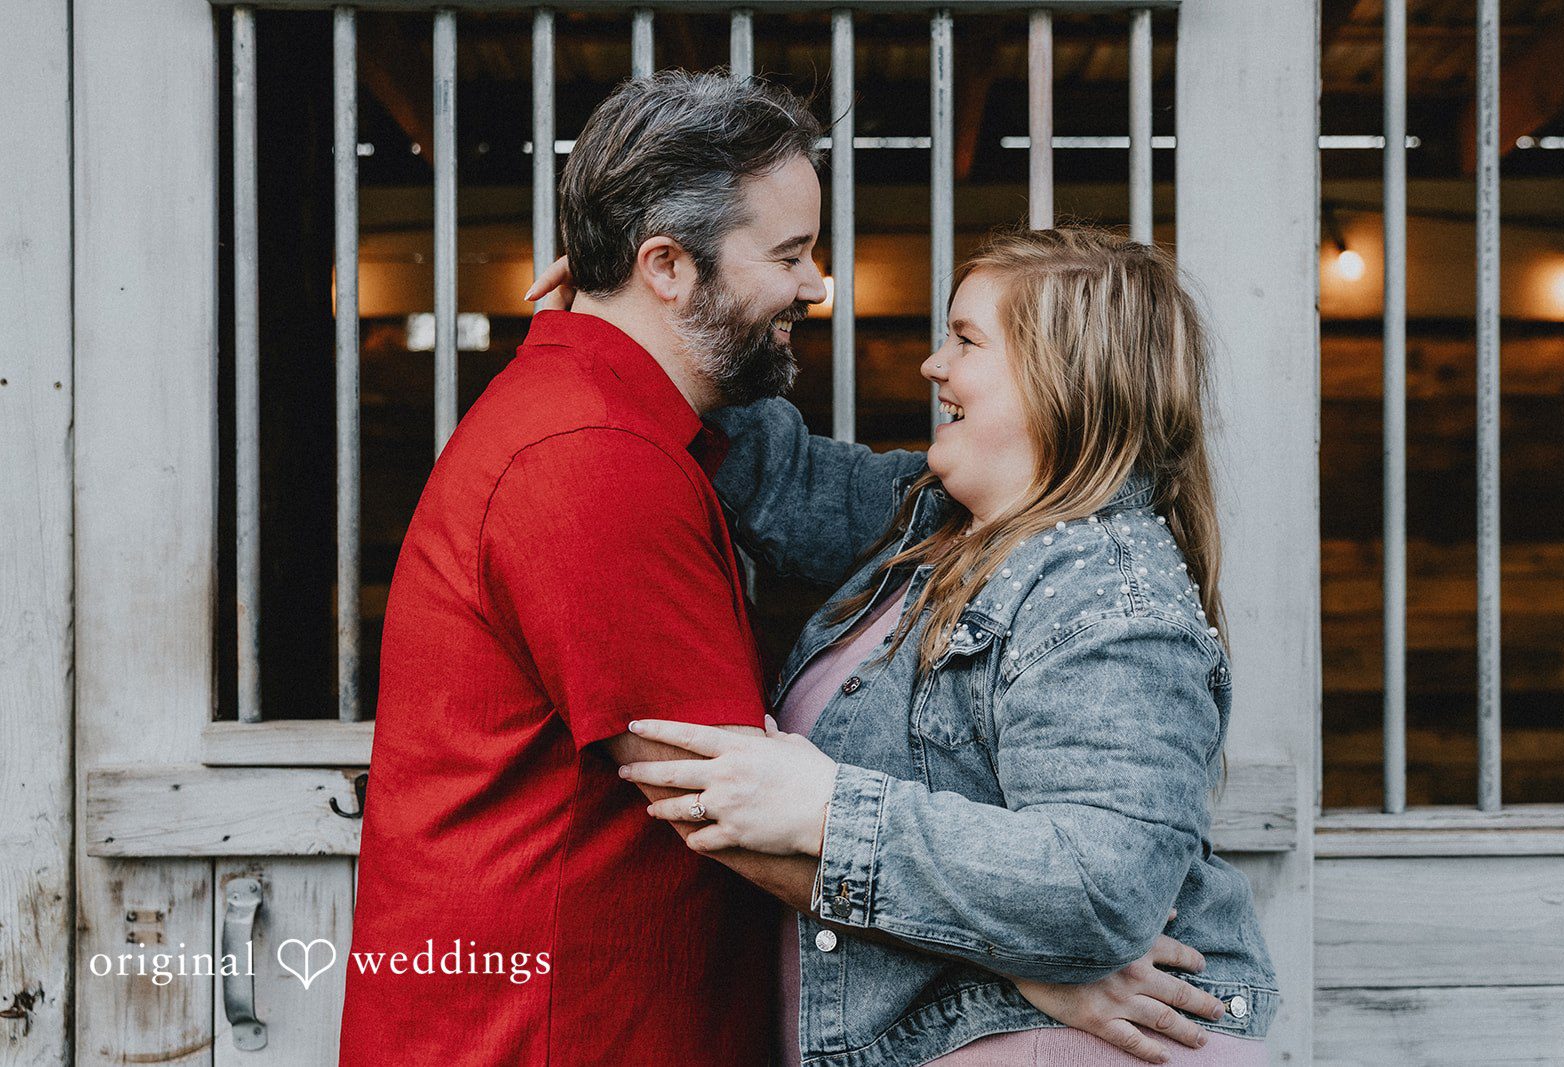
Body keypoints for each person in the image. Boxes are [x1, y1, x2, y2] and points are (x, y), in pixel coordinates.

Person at [349, 67, 1226, 1066]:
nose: (817, 284)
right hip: (556, 1033)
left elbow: (794, 481)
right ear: (670, 265)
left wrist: (613, 307)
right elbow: (725, 801)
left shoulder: (995, 537)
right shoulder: (590, 459)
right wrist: (1031, 960)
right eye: (792, 253)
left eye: (964, 340)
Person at [612, 226, 1281, 1064]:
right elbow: (774, 475)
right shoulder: (941, 522)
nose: (934, 365)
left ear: (1065, 381)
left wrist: (826, 808)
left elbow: (1097, 889)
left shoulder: (1108, 593)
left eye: (966, 340)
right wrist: (631, 308)